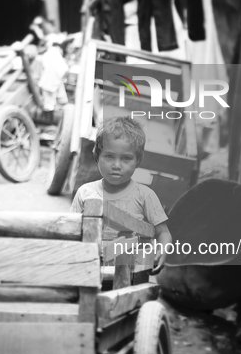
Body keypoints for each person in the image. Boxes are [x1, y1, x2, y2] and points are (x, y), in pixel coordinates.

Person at [71, 117, 173, 274]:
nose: (117, 165)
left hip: (131, 275)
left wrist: (162, 250)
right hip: (89, 272)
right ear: (97, 156)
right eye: (109, 156)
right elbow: (71, 231)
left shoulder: (145, 196)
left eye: (126, 158)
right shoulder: (85, 193)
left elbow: (163, 233)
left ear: (138, 161)